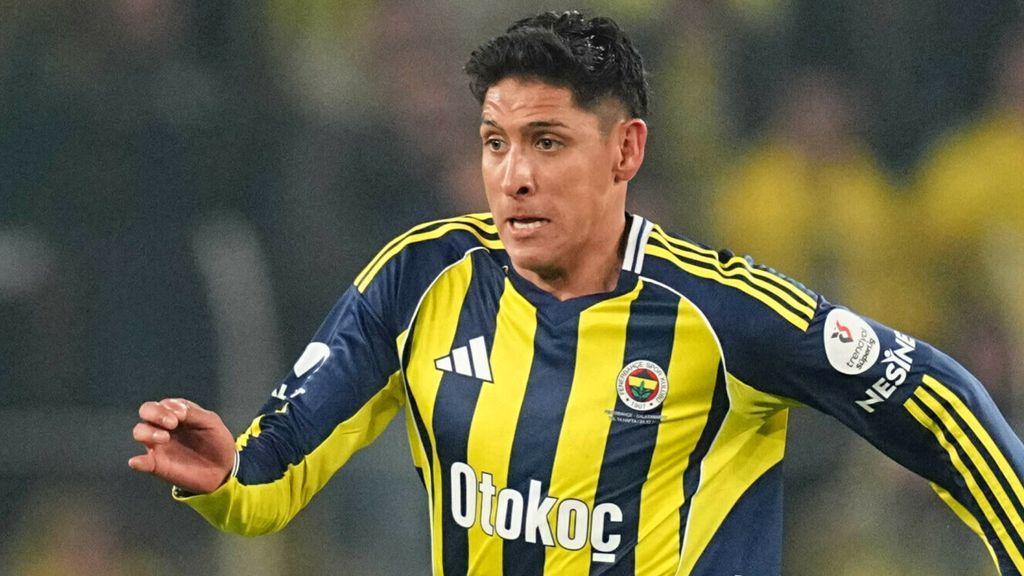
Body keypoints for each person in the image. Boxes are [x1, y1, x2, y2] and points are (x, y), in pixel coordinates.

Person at [131, 11, 1024, 575]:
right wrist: (226, 476)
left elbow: (945, 404)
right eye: (495, 142)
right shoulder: (421, 278)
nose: (513, 176)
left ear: (625, 151)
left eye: (548, 143)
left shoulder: (722, 314)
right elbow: (274, 470)